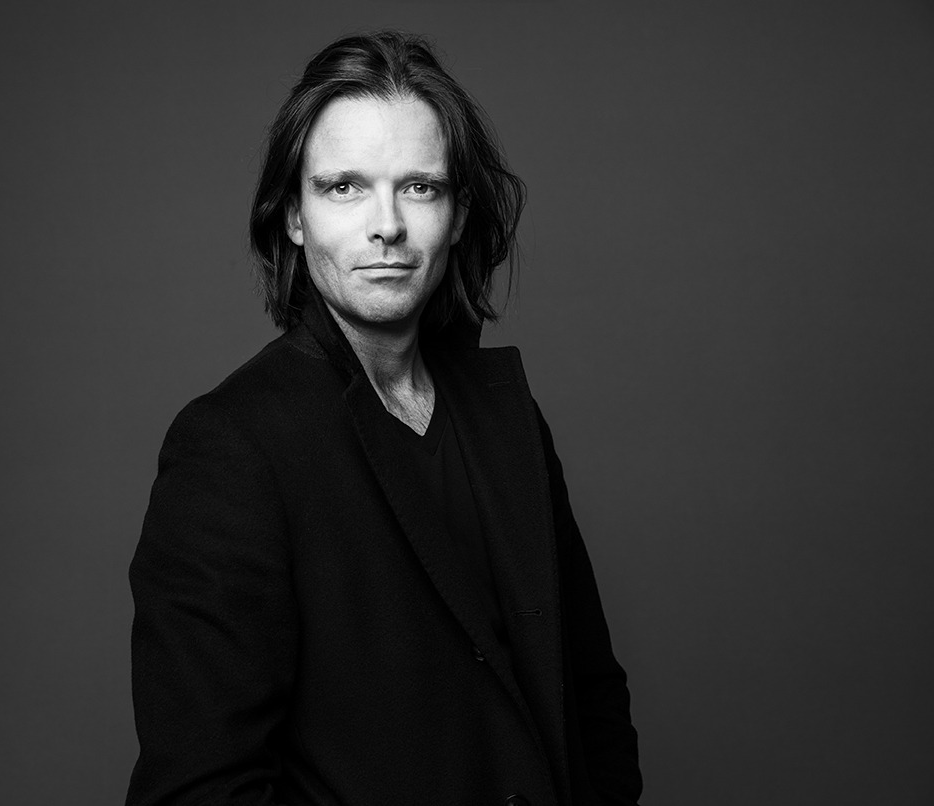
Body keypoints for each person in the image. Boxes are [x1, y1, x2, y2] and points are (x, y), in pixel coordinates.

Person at [126, 30, 641, 806]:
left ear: (458, 214)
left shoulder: (505, 417)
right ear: (293, 217)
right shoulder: (230, 448)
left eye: (420, 187)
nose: (387, 225)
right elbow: (200, 790)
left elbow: (590, 693)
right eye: (344, 187)